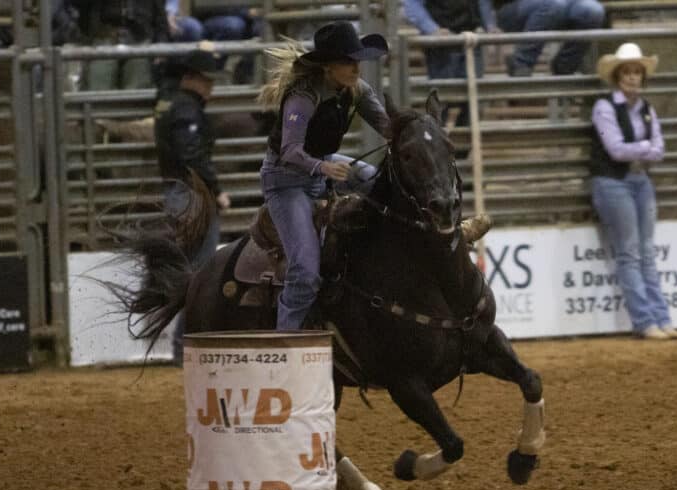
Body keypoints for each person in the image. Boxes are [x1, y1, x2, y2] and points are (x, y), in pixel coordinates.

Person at [256, 21, 391, 331]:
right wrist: (324, 168)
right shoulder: (303, 96)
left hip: (323, 164)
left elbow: (388, 128)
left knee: (374, 178)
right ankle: (285, 342)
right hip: (286, 181)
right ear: (328, 68)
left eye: (356, 60)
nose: (356, 67)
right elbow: (289, 151)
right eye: (348, 61)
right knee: (304, 272)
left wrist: (415, 133)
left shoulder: (357, 90)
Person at [589, 43, 677, 341]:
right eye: (627, 72)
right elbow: (615, 150)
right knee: (631, 252)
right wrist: (644, 148)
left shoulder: (646, 109)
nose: (633, 77)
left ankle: (660, 319)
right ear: (618, 75)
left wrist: (641, 151)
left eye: (637, 72)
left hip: (637, 181)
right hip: (613, 182)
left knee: (645, 252)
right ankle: (646, 321)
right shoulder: (604, 107)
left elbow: (659, 149)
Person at [153, 45, 231, 359]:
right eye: (206, 80)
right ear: (192, 79)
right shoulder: (186, 110)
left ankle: (182, 346)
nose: (210, 87)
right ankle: (188, 347)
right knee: (200, 273)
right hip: (191, 195)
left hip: (177, 194)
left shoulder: (171, 104)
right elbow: (191, 155)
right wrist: (215, 189)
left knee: (191, 270)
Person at [403, 0, 495, 127]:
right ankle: (439, 143)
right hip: (441, 42)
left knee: (474, 102)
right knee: (441, 102)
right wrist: (433, 29)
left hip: (471, 38)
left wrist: (489, 26)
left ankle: (462, 145)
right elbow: (412, 4)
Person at [70, 0, 169, 90]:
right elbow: (78, 5)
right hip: (103, 38)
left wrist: (161, 43)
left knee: (137, 92)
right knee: (97, 88)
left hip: (140, 38)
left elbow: (160, 16)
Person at [494, 0, 605, 76]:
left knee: (594, 10)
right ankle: (520, 62)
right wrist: (489, 23)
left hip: (562, 5)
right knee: (554, 4)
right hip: (512, 7)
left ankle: (564, 66)